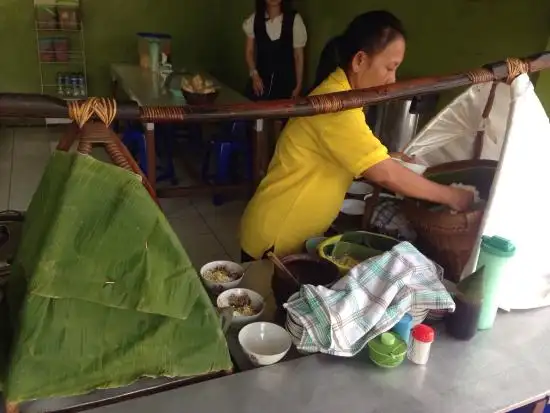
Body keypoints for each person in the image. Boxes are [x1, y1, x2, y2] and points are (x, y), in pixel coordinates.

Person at [240, 10, 474, 261]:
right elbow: (385, 175)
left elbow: (354, 151)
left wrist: (391, 157)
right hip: (276, 236)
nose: (392, 79)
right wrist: (453, 196)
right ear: (360, 60)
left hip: (287, 232)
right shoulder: (336, 107)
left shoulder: (343, 93)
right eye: (389, 67)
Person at [243, 0, 307, 100]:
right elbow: (249, 52)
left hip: (285, 86)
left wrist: (298, 85)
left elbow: (298, 56)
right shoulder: (254, 19)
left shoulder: (294, 20)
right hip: (260, 85)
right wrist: (254, 75)